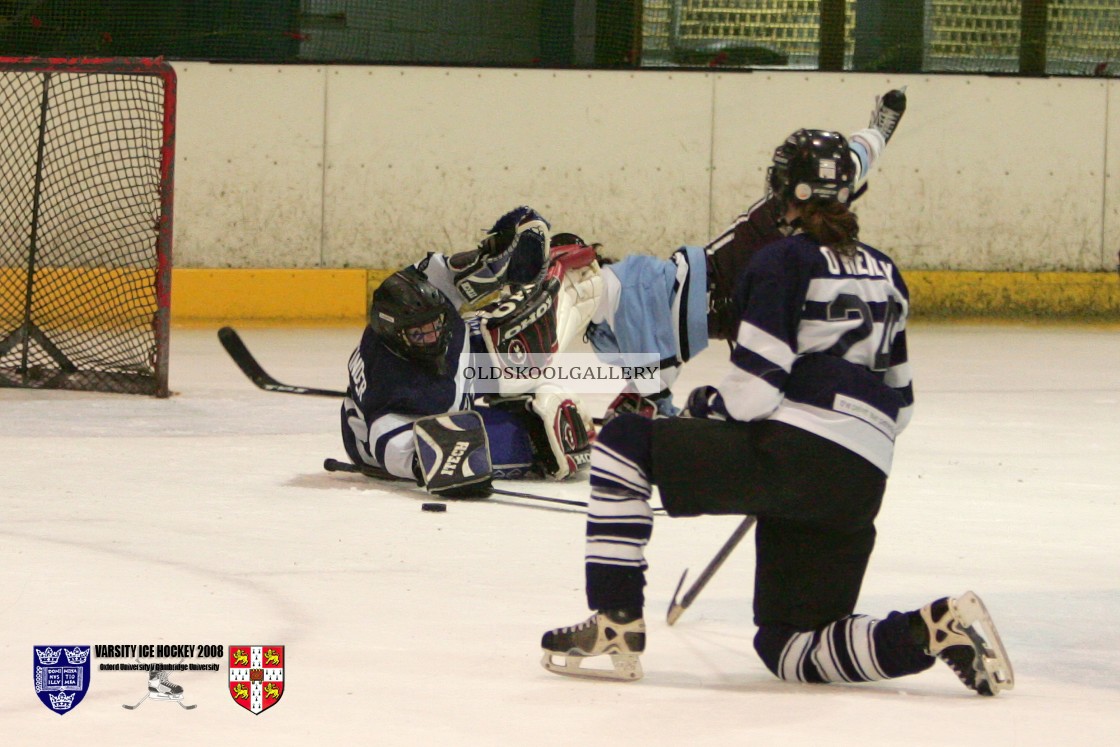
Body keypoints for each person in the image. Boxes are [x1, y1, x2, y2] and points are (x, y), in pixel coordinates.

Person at [540, 129, 1014, 696]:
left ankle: (614, 623)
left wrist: (704, 405)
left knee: (623, 442)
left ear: (783, 191)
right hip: (862, 478)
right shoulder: (887, 272)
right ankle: (929, 631)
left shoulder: (781, 260)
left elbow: (755, 392)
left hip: (793, 454)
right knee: (791, 646)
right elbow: (902, 404)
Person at [586, 88, 907, 418]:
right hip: (726, 305)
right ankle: (647, 397)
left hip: (706, 292)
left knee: (622, 297)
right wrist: (878, 133)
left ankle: (646, 397)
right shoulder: (833, 207)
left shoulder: (782, 242)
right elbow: (858, 155)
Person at [340, 207, 599, 491]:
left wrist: (495, 254)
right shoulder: (394, 388)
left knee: (501, 338)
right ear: (394, 334)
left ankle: (521, 367)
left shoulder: (414, 301)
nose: (432, 336)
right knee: (544, 433)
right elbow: (388, 443)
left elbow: (443, 271)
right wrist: (436, 463)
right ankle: (534, 439)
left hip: (445, 391)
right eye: (419, 334)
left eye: (434, 325)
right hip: (420, 427)